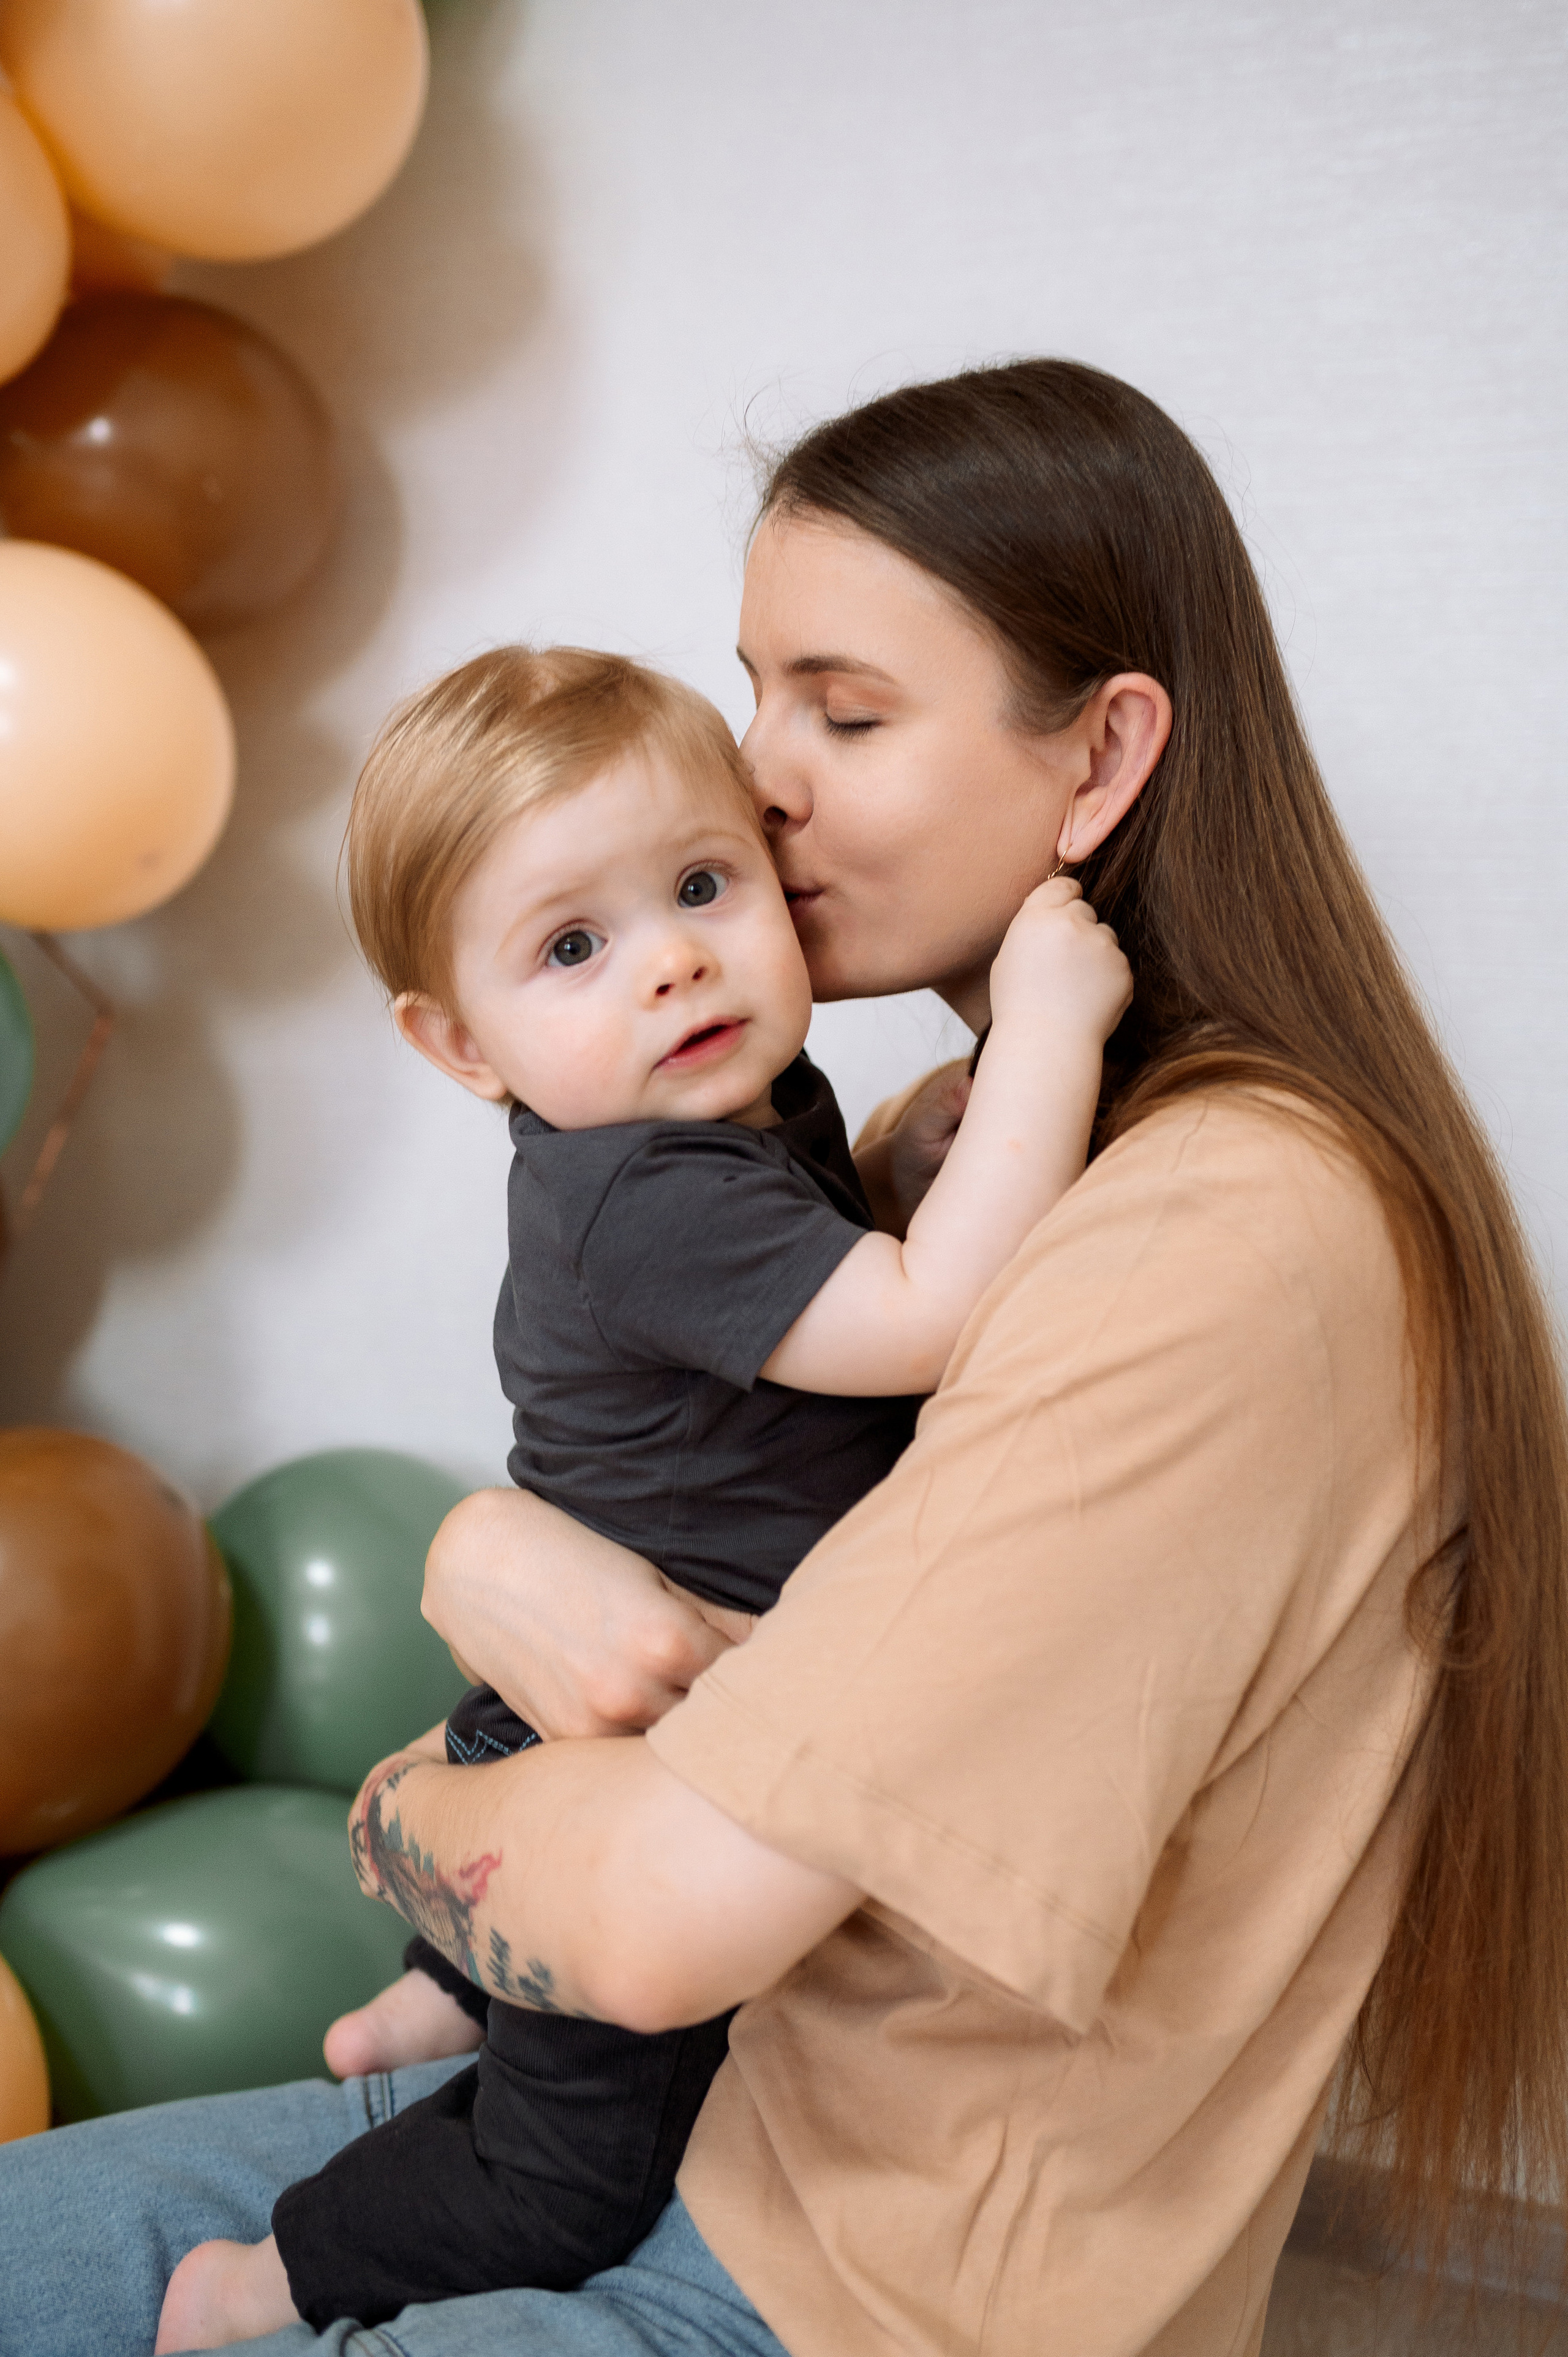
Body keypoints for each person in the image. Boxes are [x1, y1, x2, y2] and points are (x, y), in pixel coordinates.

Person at [4, 358, 1567, 2357]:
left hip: (811, 2273)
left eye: (843, 710)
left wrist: (412, 1765)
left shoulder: (1227, 1242)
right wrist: (494, 1565)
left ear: (1098, 767)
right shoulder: (995, 1137)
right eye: (756, 699)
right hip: (682, 2111)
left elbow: (654, 1922)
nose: (762, 779)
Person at [170, 643, 1128, 2341]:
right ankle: (273, 2274)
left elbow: (833, 1249)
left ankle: (443, 2004)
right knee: (568, 2182)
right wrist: (1051, 1028)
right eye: (573, 946)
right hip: (598, 1750)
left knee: (552, 2036)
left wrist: (915, 1160)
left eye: (700, 886)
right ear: (463, 1045)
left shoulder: (730, 1110)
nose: (674, 961)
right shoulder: (642, 1197)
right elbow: (922, 1316)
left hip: (570, 1682)